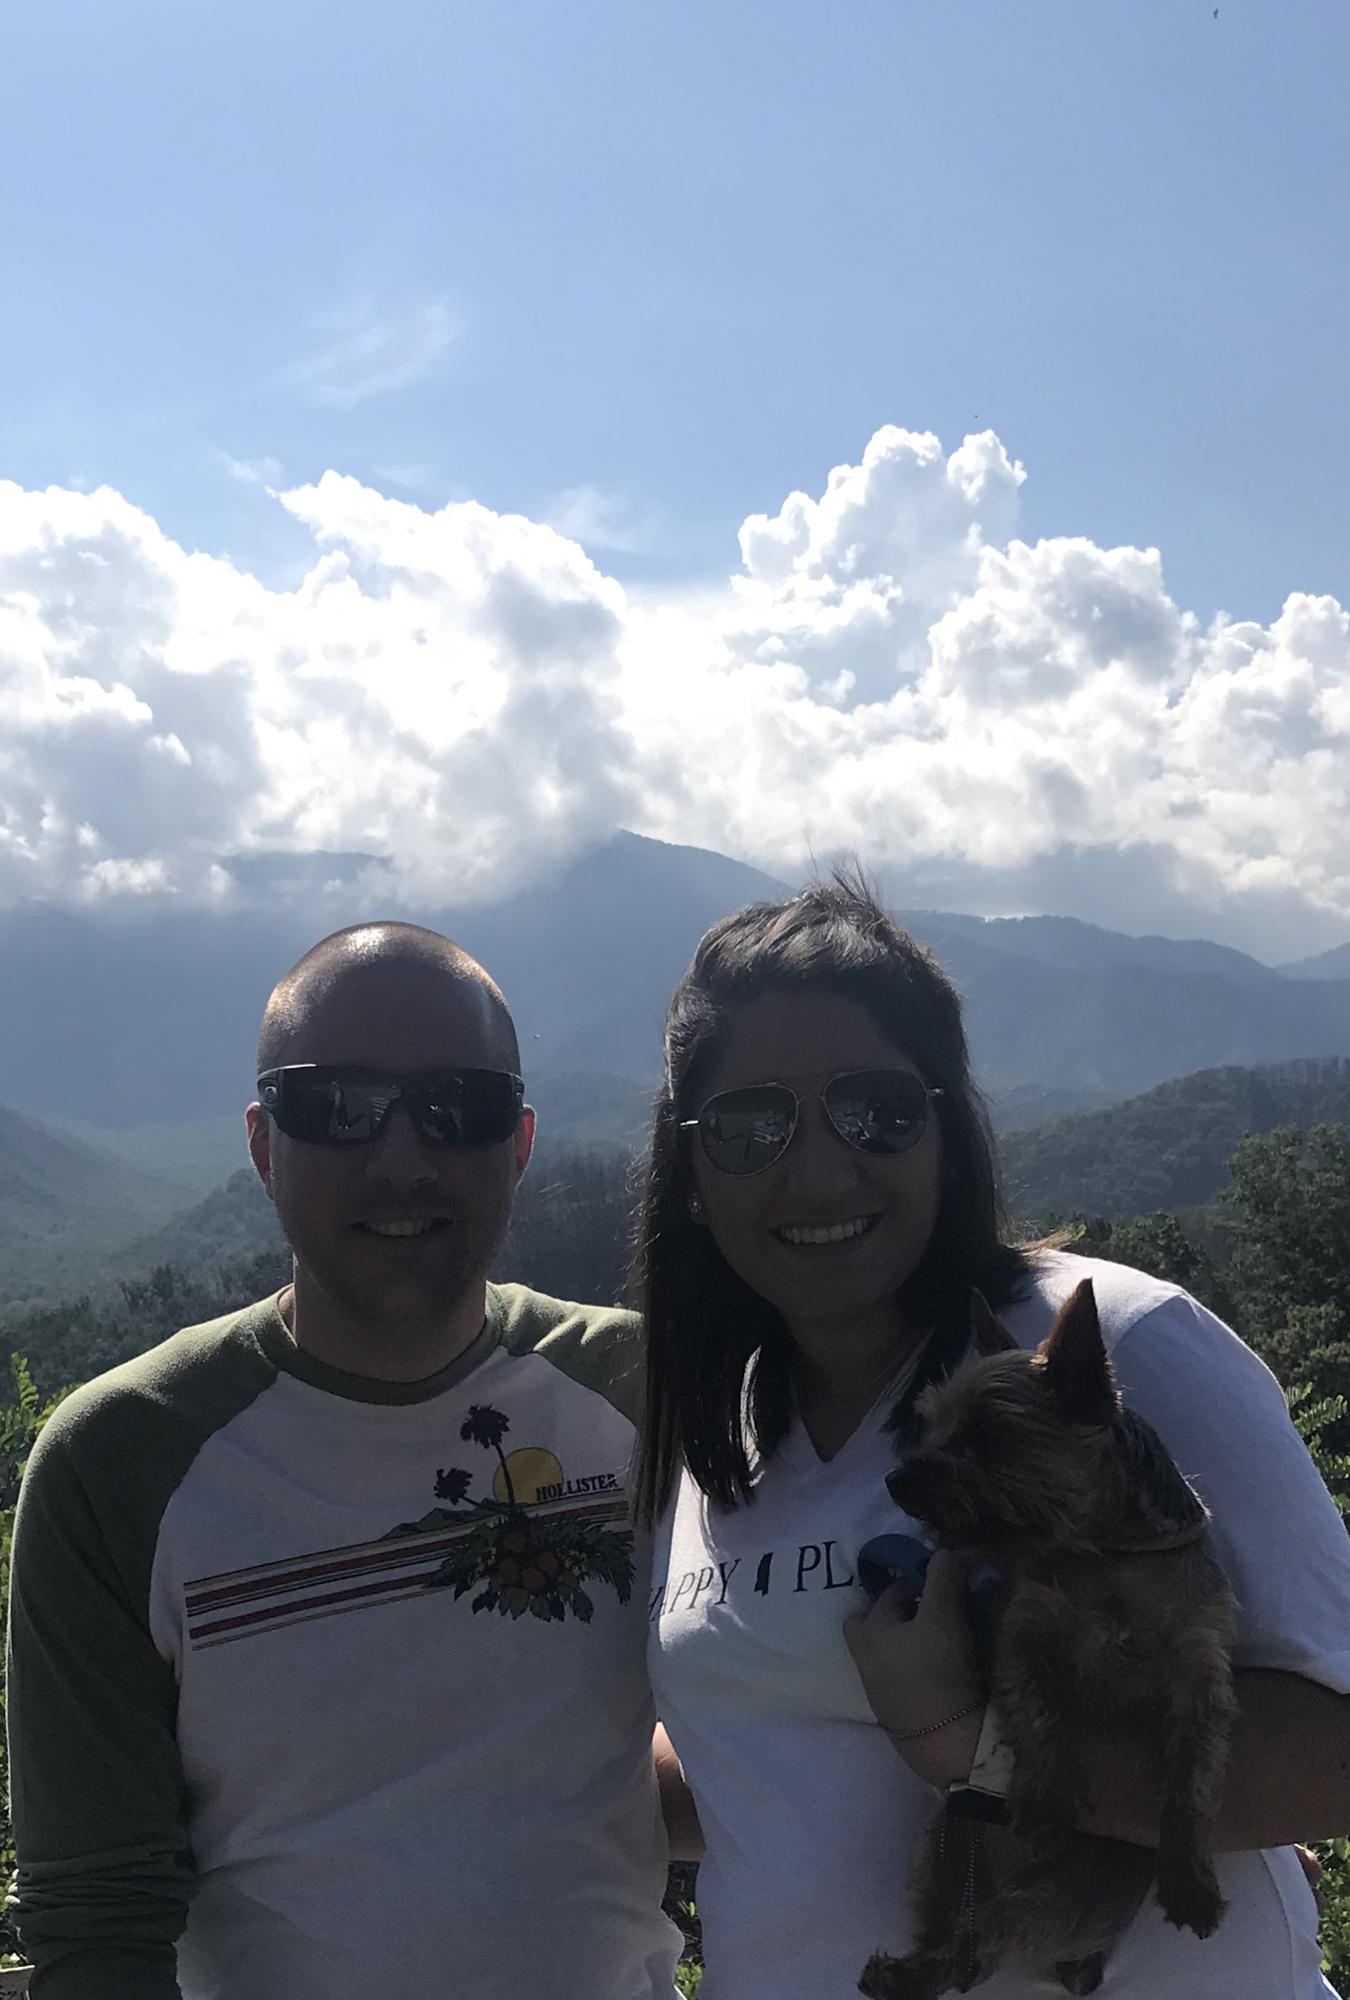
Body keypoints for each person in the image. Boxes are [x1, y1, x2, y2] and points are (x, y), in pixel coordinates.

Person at [637, 876, 1350, 2000]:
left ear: (949, 1132)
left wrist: (976, 1741)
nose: (817, 1170)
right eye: (748, 1126)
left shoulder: (1120, 1346)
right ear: (689, 1174)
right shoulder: (719, 1428)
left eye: (877, 1110)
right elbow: (760, 1753)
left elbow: (1334, 1751)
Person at [8, 922, 684, 1999]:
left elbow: (769, 1695)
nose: (401, 1158)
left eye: (456, 1105)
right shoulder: (121, 1462)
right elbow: (98, 1921)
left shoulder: (644, 1393)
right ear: (263, 1144)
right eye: (336, 1106)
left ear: (518, 1140)